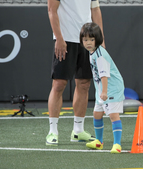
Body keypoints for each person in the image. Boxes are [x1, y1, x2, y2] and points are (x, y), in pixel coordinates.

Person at [46, 0, 105, 146]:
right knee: (59, 84)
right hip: (65, 40)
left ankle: (78, 130)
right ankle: (53, 131)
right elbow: (51, 11)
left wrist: (100, 40)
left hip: (87, 41)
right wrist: (59, 38)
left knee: (84, 84)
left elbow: (95, 10)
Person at [80, 22, 125, 154]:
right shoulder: (92, 52)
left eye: (92, 39)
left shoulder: (99, 55)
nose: (88, 42)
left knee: (113, 115)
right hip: (103, 89)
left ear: (98, 39)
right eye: (85, 40)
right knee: (97, 113)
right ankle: (99, 141)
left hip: (111, 88)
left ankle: (117, 144)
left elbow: (104, 75)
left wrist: (104, 92)